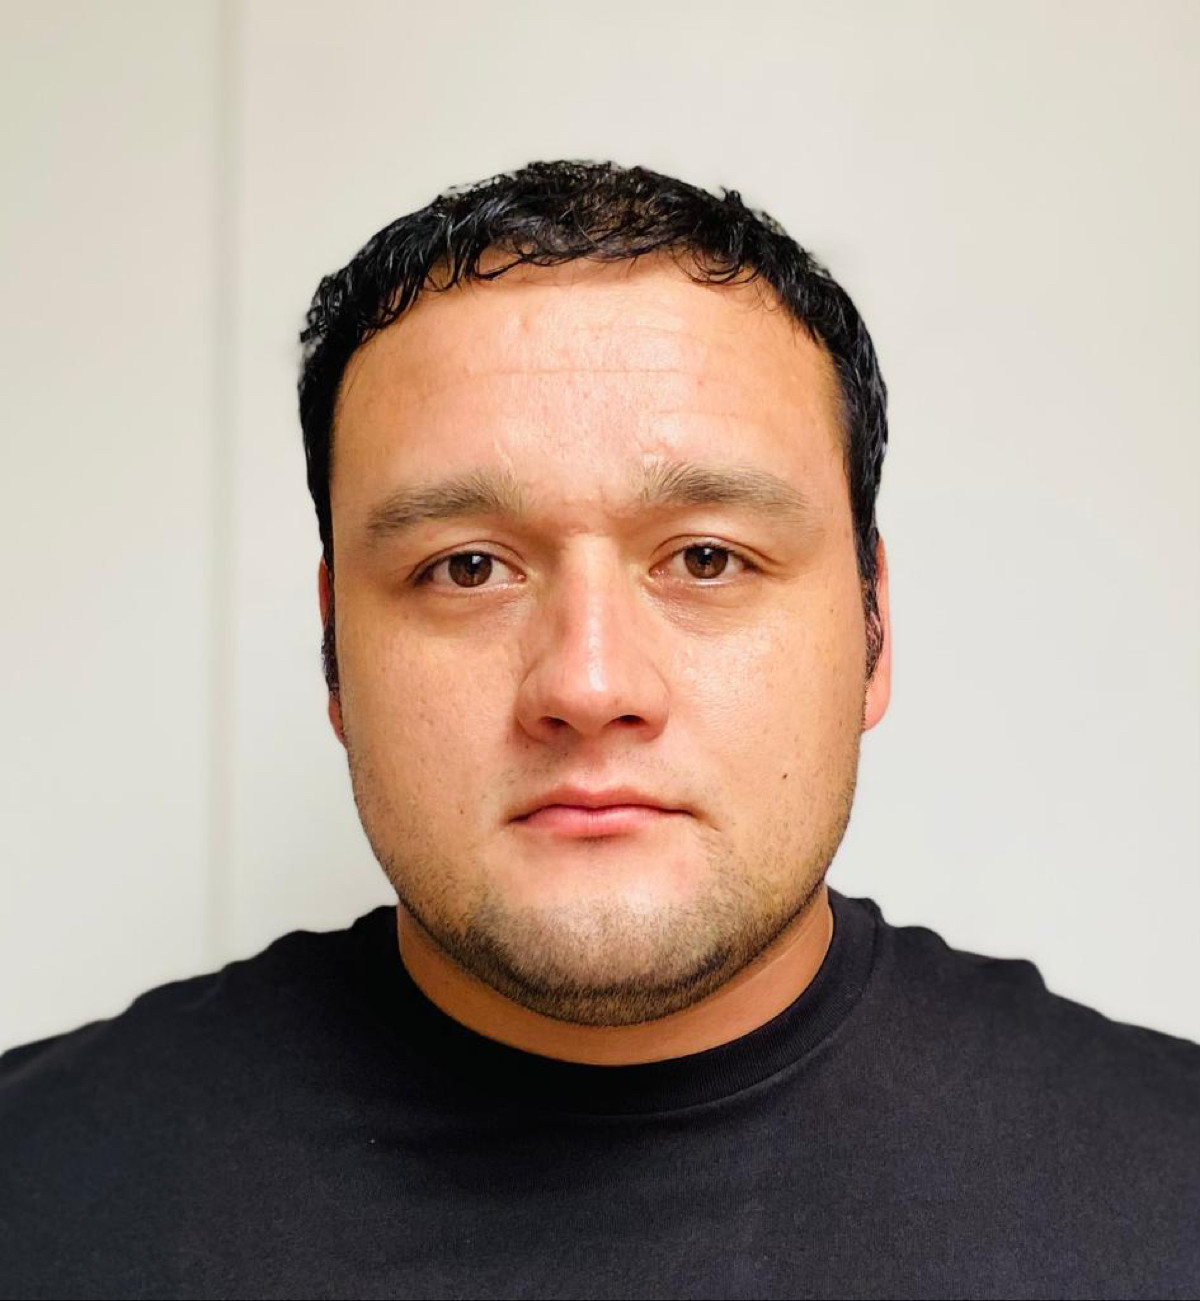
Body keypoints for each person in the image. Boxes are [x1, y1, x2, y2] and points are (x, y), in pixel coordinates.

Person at [2, 160, 1196, 1301]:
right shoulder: (38, 1189)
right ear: (334, 646)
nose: (587, 682)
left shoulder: (1167, 1193)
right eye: (467, 567)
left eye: (707, 557)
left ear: (873, 627)